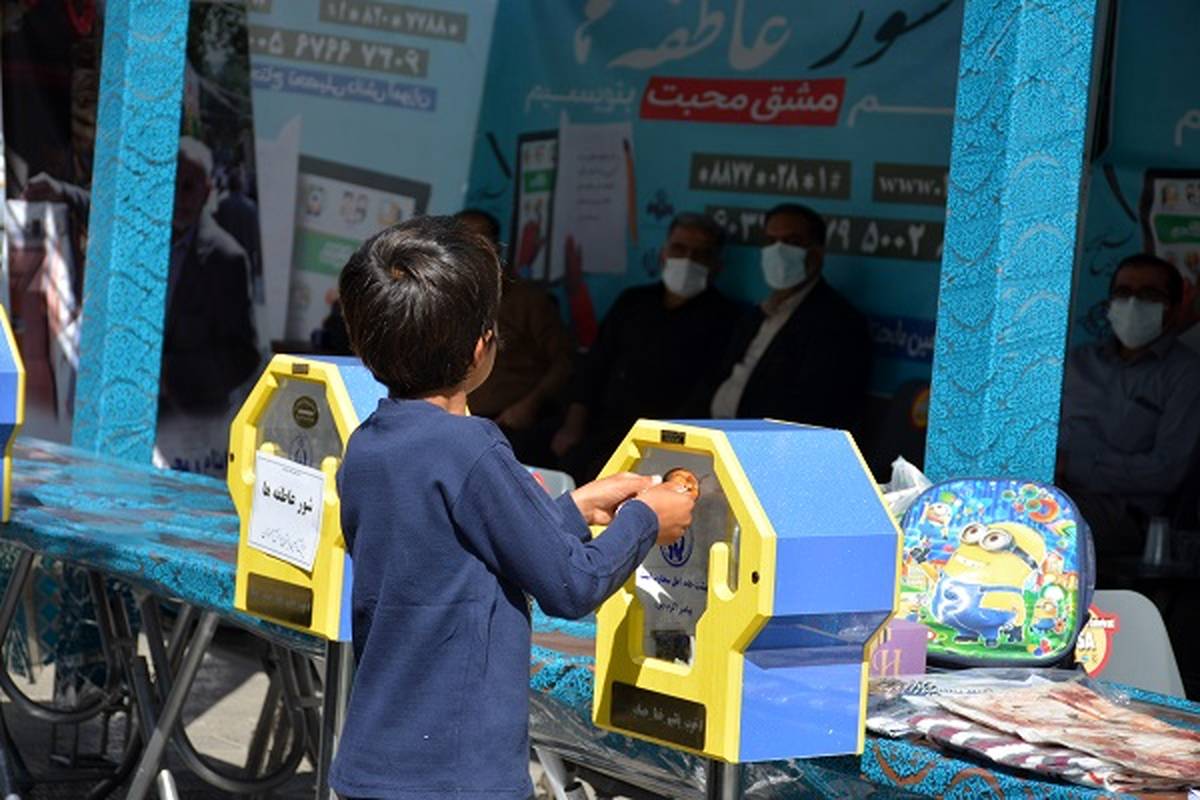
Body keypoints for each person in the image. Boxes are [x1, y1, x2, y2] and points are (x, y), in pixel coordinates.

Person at [330, 215, 695, 799]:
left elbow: (454, 554)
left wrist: (574, 509)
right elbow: (571, 585)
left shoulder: (369, 444)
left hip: (376, 762)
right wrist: (647, 519)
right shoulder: (470, 447)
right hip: (458, 777)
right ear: (482, 346)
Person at [552, 212, 740, 482]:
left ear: (716, 265)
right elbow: (594, 367)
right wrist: (572, 426)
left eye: (701, 254)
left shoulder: (727, 319)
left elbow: (709, 390)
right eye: (679, 249)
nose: (688, 259)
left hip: (664, 442)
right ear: (664, 254)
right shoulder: (633, 302)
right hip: (603, 428)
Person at [1057, 253, 1200, 563]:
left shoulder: (1186, 375)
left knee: (1043, 524)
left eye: (1149, 295)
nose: (1133, 303)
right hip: (1054, 492)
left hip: (1127, 517)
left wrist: (1074, 466)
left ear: (1174, 307)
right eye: (1123, 293)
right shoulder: (1078, 363)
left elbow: (1167, 471)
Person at [698, 202, 870, 429]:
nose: (778, 251)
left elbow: (815, 413)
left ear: (817, 253)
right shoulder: (755, 315)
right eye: (771, 241)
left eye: (792, 242)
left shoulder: (839, 325)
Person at [460, 209, 572, 465]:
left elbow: (565, 362)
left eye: (480, 239)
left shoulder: (528, 301)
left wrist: (529, 404)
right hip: (458, 422)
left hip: (512, 425)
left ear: (495, 247)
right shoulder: (446, 299)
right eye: (461, 240)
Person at [160, 137, 260, 417]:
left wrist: (170, 376)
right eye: (173, 185)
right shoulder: (145, 242)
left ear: (206, 192)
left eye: (189, 187)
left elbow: (243, 357)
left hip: (192, 424)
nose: (179, 197)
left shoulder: (227, 259)